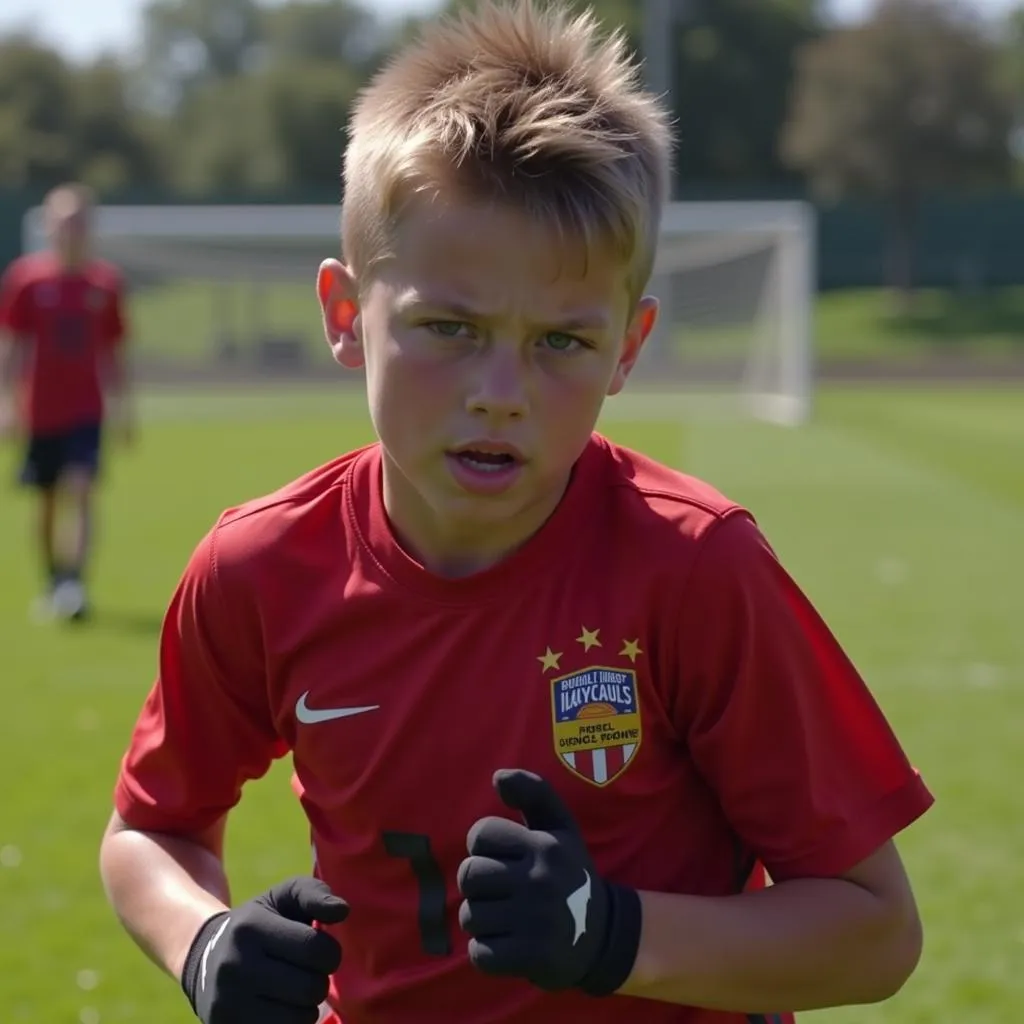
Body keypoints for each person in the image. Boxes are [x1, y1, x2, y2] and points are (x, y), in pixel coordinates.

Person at [99, 3, 934, 1023]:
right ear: (345, 316)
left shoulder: (695, 568)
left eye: (562, 342)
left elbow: (874, 929)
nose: (501, 389)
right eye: (448, 327)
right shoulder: (259, 566)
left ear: (628, 348)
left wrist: (614, 934)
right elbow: (148, 828)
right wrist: (204, 939)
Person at [0, 182, 133, 621]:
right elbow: (13, 346)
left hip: (85, 410)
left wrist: (123, 410)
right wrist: (5, 403)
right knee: (46, 501)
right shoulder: (26, 280)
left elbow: (113, 353)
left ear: (89, 228)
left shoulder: (105, 284)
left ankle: (74, 583)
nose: (70, 231)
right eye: (63, 222)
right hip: (39, 410)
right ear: (50, 227)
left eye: (78, 222)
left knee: (81, 487)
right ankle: (53, 581)